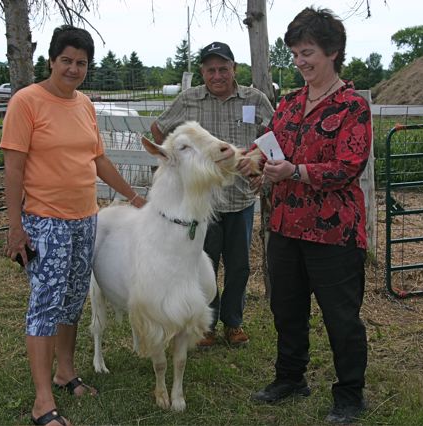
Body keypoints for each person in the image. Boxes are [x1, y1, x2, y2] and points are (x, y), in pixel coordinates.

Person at [1, 26, 145, 426]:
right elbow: (12, 169)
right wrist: (15, 228)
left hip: (86, 220)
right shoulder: (26, 102)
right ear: (51, 61)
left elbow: (97, 159)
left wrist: (134, 198)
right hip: (45, 222)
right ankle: (42, 402)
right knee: (44, 308)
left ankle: (66, 373)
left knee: (72, 301)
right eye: (66, 60)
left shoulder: (84, 104)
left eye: (81, 63)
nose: (73, 68)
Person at [250, 7, 371, 425]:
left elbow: (348, 165)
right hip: (285, 225)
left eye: (308, 53)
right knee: (286, 308)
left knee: (341, 317)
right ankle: (290, 378)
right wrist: (256, 162)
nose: (300, 62)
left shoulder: (352, 106)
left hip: (334, 231)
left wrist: (295, 171)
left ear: (333, 52)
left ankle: (350, 394)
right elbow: (268, 145)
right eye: (296, 54)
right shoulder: (288, 104)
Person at [151, 42, 274, 347]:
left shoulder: (255, 99)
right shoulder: (189, 100)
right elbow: (159, 129)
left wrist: (262, 166)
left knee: (239, 265)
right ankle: (206, 324)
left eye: (223, 68)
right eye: (210, 70)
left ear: (234, 68)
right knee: (202, 263)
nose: (217, 75)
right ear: (203, 72)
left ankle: (233, 322)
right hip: (201, 204)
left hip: (240, 199)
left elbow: (276, 138)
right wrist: (179, 167)